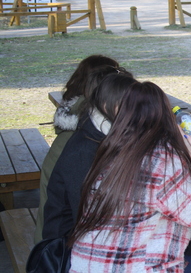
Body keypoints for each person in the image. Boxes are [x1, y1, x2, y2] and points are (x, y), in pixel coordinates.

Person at [69, 81, 191, 273]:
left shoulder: (115, 153)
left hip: (89, 265)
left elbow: (170, 197)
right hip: (130, 267)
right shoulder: (163, 162)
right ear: (167, 118)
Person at [35, 55, 120, 243]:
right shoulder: (85, 142)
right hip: (56, 247)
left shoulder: (75, 110)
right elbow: (86, 214)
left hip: (51, 229)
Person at [43, 72, 136, 241]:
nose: (136, 111)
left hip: (94, 235)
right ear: (107, 104)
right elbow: (86, 215)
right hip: (68, 246)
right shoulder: (84, 150)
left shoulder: (101, 132)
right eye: (129, 104)